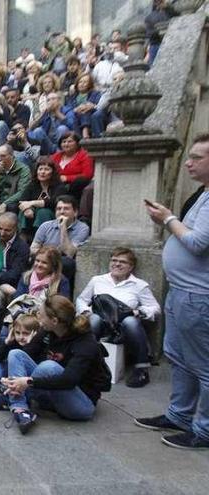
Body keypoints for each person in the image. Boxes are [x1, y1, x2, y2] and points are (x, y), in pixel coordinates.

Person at [137, 133, 209, 450]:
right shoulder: (202, 194)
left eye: (197, 157)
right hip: (181, 291)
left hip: (198, 296)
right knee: (178, 357)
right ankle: (179, 415)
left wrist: (167, 218)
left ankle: (204, 430)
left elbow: (197, 243)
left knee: (204, 365)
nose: (189, 162)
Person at [0, 295, 111, 435]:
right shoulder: (47, 331)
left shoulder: (85, 342)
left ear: (54, 320)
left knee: (49, 366)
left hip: (80, 403)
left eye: (41, 314)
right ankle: (20, 408)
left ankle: (14, 397)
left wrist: (27, 382)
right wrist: (13, 380)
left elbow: (69, 380)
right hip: (50, 393)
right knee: (15, 354)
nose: (38, 316)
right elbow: (25, 356)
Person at [76, 247, 161, 388]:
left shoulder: (139, 285)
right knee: (94, 320)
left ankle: (141, 369)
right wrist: (86, 311)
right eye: (114, 260)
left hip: (124, 328)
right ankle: (82, 363)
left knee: (131, 322)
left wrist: (137, 312)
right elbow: (81, 300)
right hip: (101, 323)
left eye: (123, 262)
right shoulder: (97, 280)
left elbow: (155, 308)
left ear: (131, 267)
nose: (117, 264)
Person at [30, 195, 90, 284]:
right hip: (44, 260)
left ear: (75, 212)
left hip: (64, 265)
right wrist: (48, 256)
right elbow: (33, 249)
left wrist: (63, 228)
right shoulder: (45, 226)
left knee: (67, 262)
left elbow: (69, 252)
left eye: (66, 209)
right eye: (59, 209)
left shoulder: (82, 228)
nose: (62, 212)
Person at [0, 212, 31, 306]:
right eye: (0, 228)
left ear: (15, 228)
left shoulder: (22, 247)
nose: (2, 233)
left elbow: (15, 274)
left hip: (7, 284)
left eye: (7, 230)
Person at [0, 314, 42, 392]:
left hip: (27, 378)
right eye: (17, 333)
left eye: (26, 333)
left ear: (34, 333)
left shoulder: (37, 345)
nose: (21, 337)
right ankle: (5, 386)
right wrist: (6, 342)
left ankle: (8, 388)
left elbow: (25, 364)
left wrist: (30, 344)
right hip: (10, 375)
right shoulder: (14, 342)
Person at [16, 157, 68, 235]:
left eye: (46, 169)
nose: (42, 172)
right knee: (23, 211)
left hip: (53, 217)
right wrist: (27, 209)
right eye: (40, 169)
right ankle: (22, 238)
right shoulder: (33, 185)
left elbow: (54, 202)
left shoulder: (59, 186)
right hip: (32, 217)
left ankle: (41, 239)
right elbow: (22, 201)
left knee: (43, 212)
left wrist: (32, 203)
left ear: (53, 172)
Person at [0, 144, 32, 218]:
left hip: (15, 202)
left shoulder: (23, 170)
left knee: (11, 207)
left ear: (12, 156)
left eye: (3, 156)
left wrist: (5, 203)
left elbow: (22, 192)